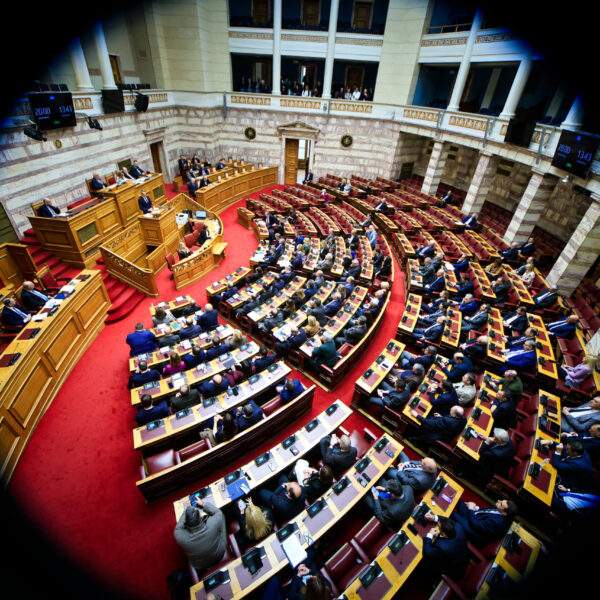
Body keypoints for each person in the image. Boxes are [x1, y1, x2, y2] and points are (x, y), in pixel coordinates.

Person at [173, 503, 226, 573]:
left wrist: (186, 511)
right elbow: (218, 512)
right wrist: (203, 505)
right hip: (219, 554)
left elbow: (178, 528)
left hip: (199, 565)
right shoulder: (212, 523)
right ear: (201, 518)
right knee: (221, 518)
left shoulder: (178, 535)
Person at [451, 499, 517, 545]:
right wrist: (476, 508)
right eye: (501, 501)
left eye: (501, 503)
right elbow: (487, 511)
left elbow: (476, 525)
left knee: (453, 514)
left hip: (474, 531)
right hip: (476, 517)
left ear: (504, 513)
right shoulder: (500, 510)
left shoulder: (497, 522)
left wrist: (470, 509)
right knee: (459, 501)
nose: (498, 501)